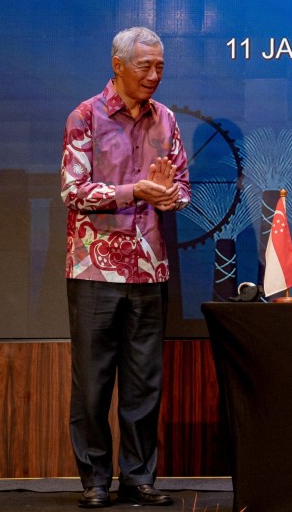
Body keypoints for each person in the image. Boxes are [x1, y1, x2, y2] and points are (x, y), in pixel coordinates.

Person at [61, 27, 190, 508]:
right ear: (117, 65)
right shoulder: (85, 116)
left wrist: (167, 194)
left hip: (149, 268)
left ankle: (139, 477)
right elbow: (73, 192)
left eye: (160, 66)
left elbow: (181, 192)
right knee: (93, 382)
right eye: (145, 66)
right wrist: (135, 190)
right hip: (94, 269)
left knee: (144, 381)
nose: (154, 75)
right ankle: (95, 480)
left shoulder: (167, 119)